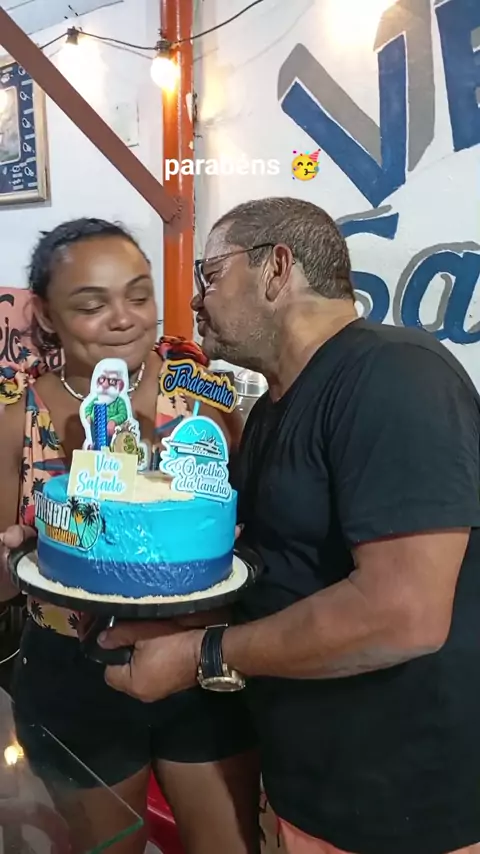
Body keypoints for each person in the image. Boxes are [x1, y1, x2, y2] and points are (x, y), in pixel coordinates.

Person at [98, 198, 480, 854]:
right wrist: (169, 623)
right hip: (312, 786)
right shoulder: (274, 408)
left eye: (210, 275)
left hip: (410, 808)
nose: (194, 300)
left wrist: (202, 656)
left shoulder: (394, 374)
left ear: (276, 269)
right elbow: (284, 577)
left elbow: (405, 613)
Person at [0, 218, 259, 854]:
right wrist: (17, 552)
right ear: (49, 316)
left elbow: (245, 515)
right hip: (70, 671)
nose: (124, 319)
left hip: (198, 656)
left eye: (139, 295)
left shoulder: (202, 395)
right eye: (92, 305)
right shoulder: (17, 419)